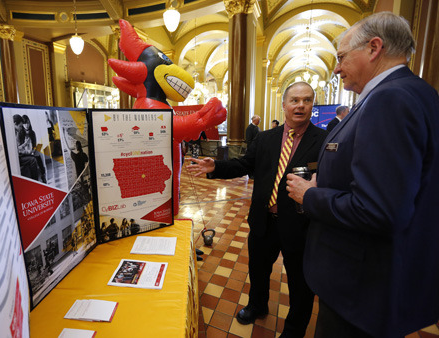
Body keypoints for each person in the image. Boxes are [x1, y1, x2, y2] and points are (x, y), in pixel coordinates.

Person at [286, 12, 439, 338]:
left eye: (341, 57)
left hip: (359, 286)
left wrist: (311, 195)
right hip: (383, 279)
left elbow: (381, 210)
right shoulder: (419, 92)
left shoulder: (390, 100)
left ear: (374, 48)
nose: (337, 68)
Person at [187, 82, 328, 337]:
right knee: (258, 269)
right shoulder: (265, 138)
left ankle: (294, 330)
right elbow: (243, 164)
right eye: (294, 100)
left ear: (312, 105)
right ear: (284, 105)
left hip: (300, 226)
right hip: (264, 220)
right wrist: (215, 167)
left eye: (307, 100)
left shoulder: (323, 141)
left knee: (300, 282)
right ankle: (257, 306)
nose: (300, 105)